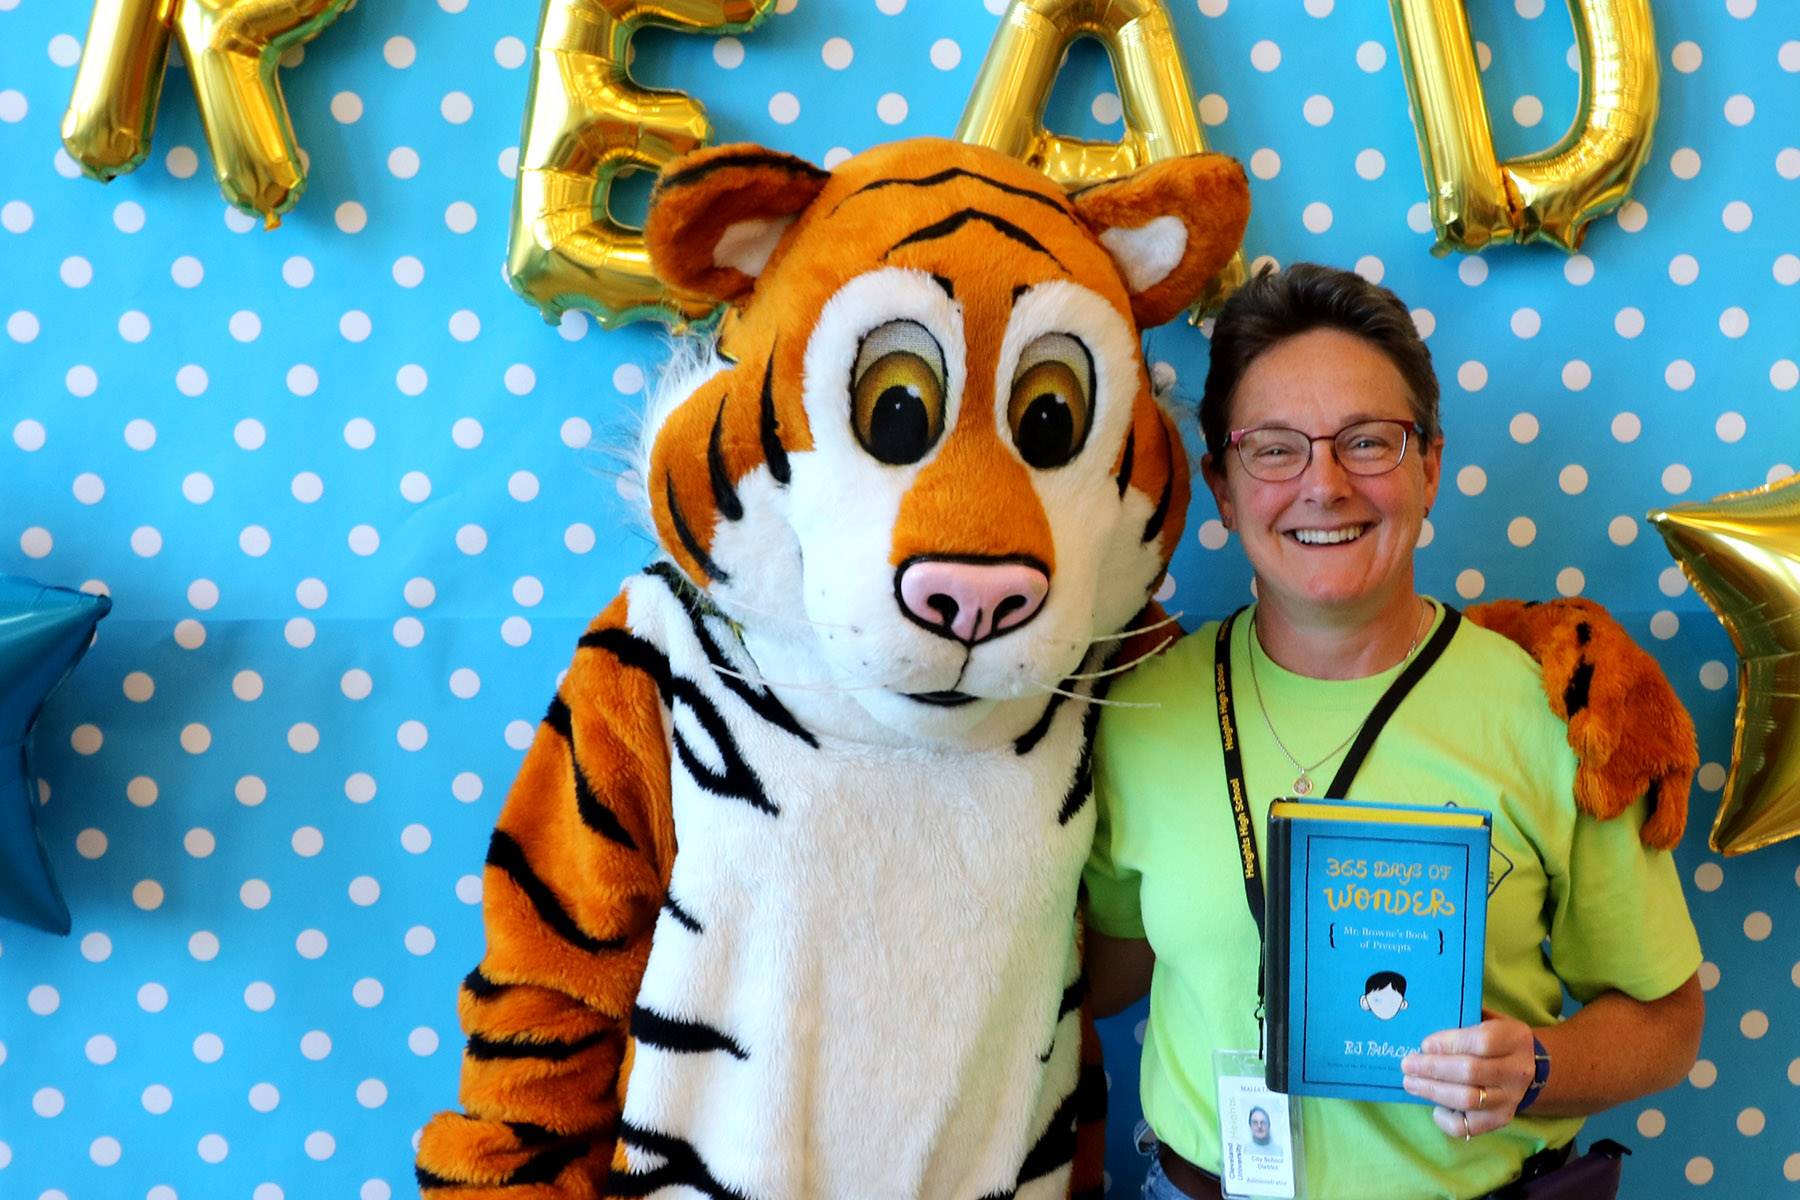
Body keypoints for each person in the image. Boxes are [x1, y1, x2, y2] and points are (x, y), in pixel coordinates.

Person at [1083, 263, 1704, 1200]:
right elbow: (1105, 975)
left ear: (1429, 468)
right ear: (1220, 483)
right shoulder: (1143, 712)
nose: (1324, 485)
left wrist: (1535, 1067)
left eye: (1367, 442)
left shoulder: (1555, 714)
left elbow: (1667, 1022)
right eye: (1275, 448)